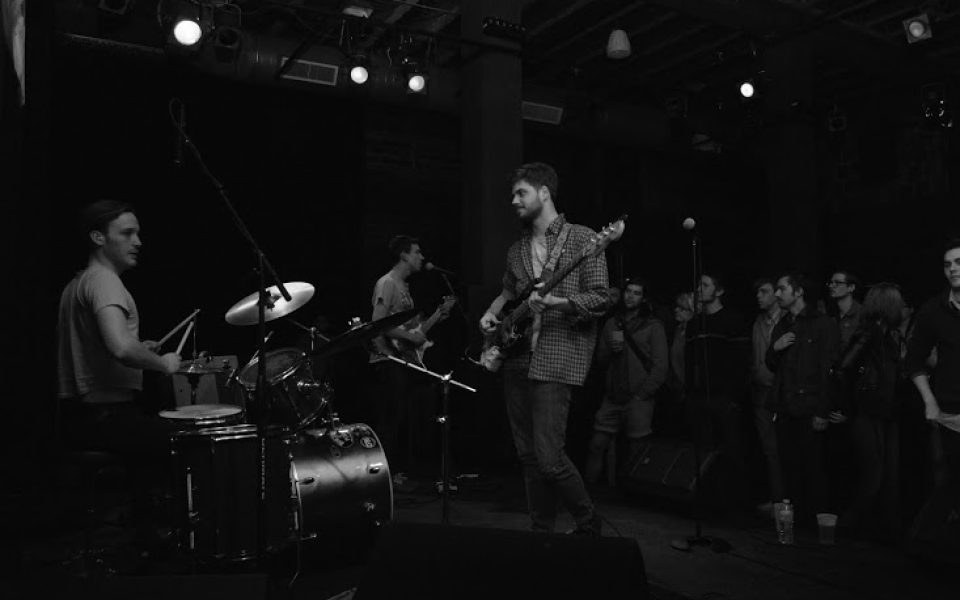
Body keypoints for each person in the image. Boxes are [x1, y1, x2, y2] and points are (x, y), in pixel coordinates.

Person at [479, 162, 610, 535]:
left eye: (521, 193)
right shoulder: (516, 250)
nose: (514, 201)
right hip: (517, 359)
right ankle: (542, 533)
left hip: (556, 358)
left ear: (544, 192)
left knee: (550, 459)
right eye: (513, 195)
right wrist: (491, 313)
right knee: (528, 458)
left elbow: (601, 298)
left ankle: (588, 523)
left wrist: (556, 303)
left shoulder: (582, 238)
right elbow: (508, 292)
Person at [57, 200, 182, 544]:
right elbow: (121, 348)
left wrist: (142, 347)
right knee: (188, 443)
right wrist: (163, 364)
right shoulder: (105, 281)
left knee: (153, 438)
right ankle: (155, 539)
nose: (137, 241)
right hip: (105, 418)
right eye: (127, 233)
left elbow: (103, 345)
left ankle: (139, 532)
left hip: (79, 418)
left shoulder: (78, 283)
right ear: (98, 237)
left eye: (138, 233)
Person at [369, 235, 450, 480]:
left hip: (401, 357)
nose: (421, 257)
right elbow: (377, 323)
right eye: (417, 252)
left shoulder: (404, 287)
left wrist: (436, 317)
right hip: (387, 358)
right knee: (391, 419)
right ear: (404, 255)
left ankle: (400, 471)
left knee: (404, 416)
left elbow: (412, 333)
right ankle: (386, 475)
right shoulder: (387, 283)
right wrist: (410, 337)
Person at [766, 272, 840, 521]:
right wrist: (775, 349)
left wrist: (822, 410)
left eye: (782, 288)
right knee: (789, 468)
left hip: (809, 406)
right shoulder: (783, 324)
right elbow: (771, 364)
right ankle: (793, 522)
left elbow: (828, 371)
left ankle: (815, 522)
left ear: (798, 292)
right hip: (785, 406)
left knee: (814, 468)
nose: (777, 294)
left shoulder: (823, 324)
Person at [834, 283, 905, 539]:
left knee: (889, 477)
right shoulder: (869, 332)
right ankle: (848, 528)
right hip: (868, 412)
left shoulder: (890, 335)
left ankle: (885, 531)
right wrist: (849, 407)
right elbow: (843, 369)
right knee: (873, 476)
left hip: (887, 413)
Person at [585, 277, 667, 486]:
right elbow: (600, 360)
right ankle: (587, 493)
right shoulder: (612, 323)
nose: (631, 296)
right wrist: (611, 350)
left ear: (643, 298)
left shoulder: (653, 326)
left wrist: (642, 395)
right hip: (613, 395)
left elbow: (660, 366)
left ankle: (634, 493)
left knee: (638, 449)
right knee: (597, 444)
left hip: (639, 396)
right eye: (628, 291)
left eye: (636, 293)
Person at [684, 272, 749, 501]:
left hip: (724, 398)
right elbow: (689, 362)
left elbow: (742, 362)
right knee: (703, 452)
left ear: (719, 291)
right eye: (698, 285)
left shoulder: (733, 321)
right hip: (699, 398)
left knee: (731, 452)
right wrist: (690, 394)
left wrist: (734, 396)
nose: (699, 289)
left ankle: (733, 503)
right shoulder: (694, 324)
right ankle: (707, 502)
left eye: (705, 285)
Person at [906, 239, 960, 510]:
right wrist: (929, 401)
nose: (953, 269)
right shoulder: (933, 310)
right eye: (948, 264)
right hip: (951, 415)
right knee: (949, 488)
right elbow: (913, 359)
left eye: (959, 262)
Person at [750, 277, 784, 515]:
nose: (759, 296)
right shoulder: (758, 321)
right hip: (761, 390)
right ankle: (777, 499)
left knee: (784, 449)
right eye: (758, 292)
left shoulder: (788, 320)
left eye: (764, 291)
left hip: (782, 391)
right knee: (769, 449)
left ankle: (786, 501)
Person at [828, 270, 862, 351]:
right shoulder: (830, 315)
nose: (831, 286)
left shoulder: (862, 314)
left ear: (851, 287)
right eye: (831, 282)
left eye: (837, 283)